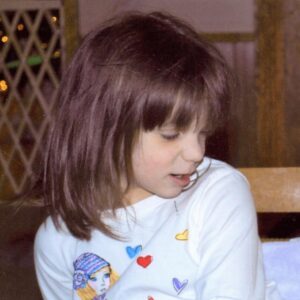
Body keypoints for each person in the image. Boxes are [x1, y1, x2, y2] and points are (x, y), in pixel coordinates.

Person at [32, 11, 281, 299]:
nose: (197, 152)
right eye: (171, 135)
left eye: (203, 133)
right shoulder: (57, 242)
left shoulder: (218, 193)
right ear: (103, 129)